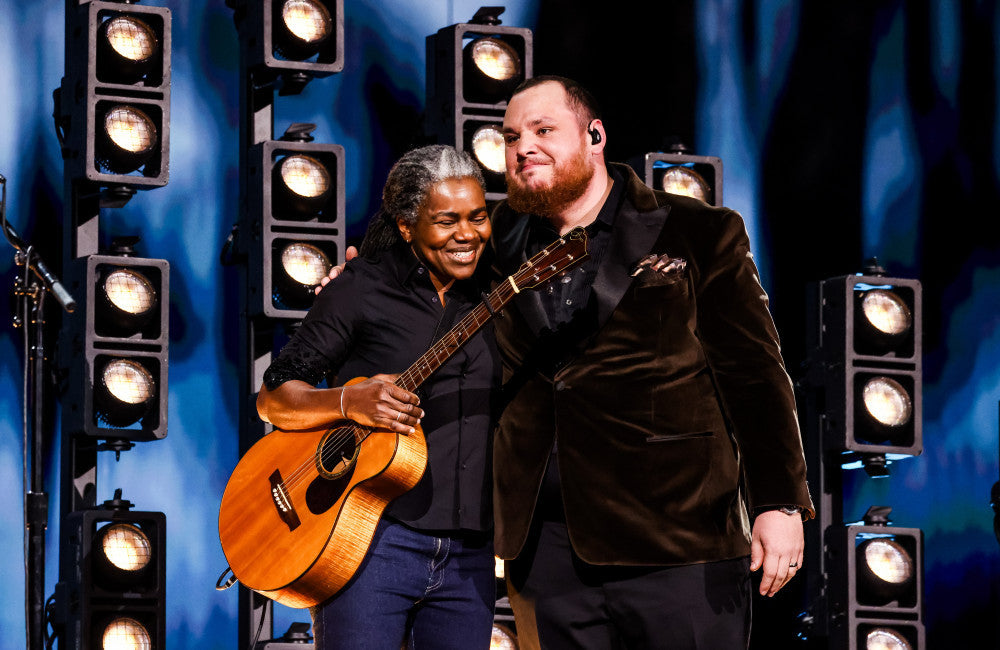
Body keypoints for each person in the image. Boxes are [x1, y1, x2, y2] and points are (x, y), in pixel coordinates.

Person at [488, 75, 815, 649]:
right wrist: (355, 277)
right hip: (547, 551)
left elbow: (755, 373)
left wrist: (780, 502)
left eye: (543, 130)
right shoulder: (499, 245)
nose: (523, 148)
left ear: (594, 135)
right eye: (512, 137)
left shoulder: (698, 229)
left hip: (679, 541)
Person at [257, 145, 500, 650]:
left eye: (478, 217)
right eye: (446, 220)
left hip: (472, 556)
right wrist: (348, 401)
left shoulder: (499, 291)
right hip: (371, 542)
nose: (467, 234)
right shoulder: (361, 288)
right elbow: (275, 396)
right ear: (407, 226)